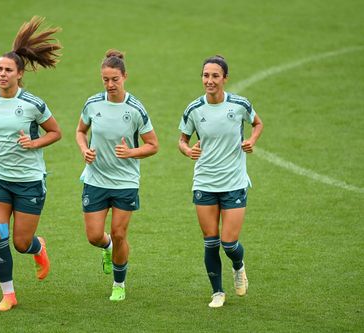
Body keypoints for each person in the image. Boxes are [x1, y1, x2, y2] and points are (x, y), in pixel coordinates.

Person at [0, 16, 62, 312]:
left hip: (29, 181)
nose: (2, 74)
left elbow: (56, 132)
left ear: (19, 74)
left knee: (21, 243)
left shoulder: (33, 104)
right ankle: (8, 294)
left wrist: (34, 143)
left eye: (8, 70)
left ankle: (38, 247)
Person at [178, 55, 263, 308]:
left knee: (229, 243)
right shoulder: (194, 109)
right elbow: (182, 139)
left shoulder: (239, 105)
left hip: (234, 182)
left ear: (225, 78)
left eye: (215, 76)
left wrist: (251, 141)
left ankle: (238, 266)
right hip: (204, 182)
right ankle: (217, 292)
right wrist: (187, 150)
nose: (210, 80)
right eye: (206, 75)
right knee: (210, 240)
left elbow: (257, 124)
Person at [75, 49, 159, 301]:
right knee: (94, 236)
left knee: (120, 233)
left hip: (125, 182)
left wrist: (131, 151)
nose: (110, 84)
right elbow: (80, 131)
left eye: (115, 79)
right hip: (95, 179)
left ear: (125, 77)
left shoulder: (135, 109)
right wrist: (84, 149)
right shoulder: (92, 104)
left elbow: (153, 145)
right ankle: (107, 247)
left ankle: (119, 283)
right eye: (105, 79)